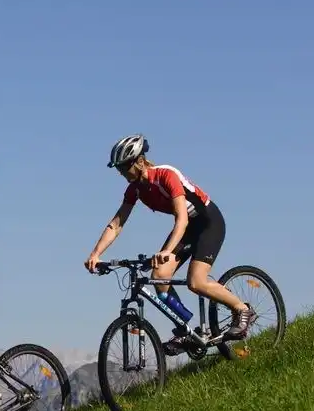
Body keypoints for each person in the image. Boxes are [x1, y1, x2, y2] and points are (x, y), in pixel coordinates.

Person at [84, 134, 257, 355]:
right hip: (187, 228)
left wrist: (166, 251)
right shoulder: (135, 189)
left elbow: (182, 218)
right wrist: (95, 254)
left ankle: (242, 310)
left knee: (196, 281)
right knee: (159, 275)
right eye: (118, 169)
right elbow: (117, 223)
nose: (121, 173)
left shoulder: (166, 176)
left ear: (138, 162)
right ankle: (188, 330)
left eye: (123, 167)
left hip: (207, 223)